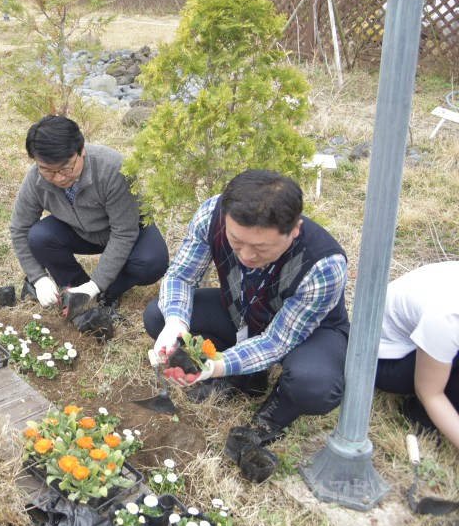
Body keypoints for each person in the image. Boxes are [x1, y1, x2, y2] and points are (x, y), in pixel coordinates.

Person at [146, 169, 350, 446]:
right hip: (241, 310)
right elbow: (181, 276)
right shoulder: (213, 214)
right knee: (159, 316)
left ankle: (275, 412)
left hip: (309, 332)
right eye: (237, 242)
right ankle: (246, 378)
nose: (246, 256)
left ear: (294, 230)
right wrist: (176, 324)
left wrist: (215, 366)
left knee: (313, 384)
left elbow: (277, 341)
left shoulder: (324, 265)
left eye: (261, 248)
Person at [10, 115, 169, 316]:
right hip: (80, 231)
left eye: (66, 168)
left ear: (81, 150)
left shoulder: (113, 169)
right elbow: (19, 229)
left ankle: (107, 292)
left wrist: (97, 285)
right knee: (39, 236)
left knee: (152, 262)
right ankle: (76, 289)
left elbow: (124, 232)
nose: (58, 178)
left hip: (127, 229)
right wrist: (38, 278)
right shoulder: (36, 178)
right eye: (48, 170)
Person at [376, 261, 459, 449]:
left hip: (423, 339)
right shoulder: (448, 316)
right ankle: (419, 414)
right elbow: (430, 393)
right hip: (385, 359)